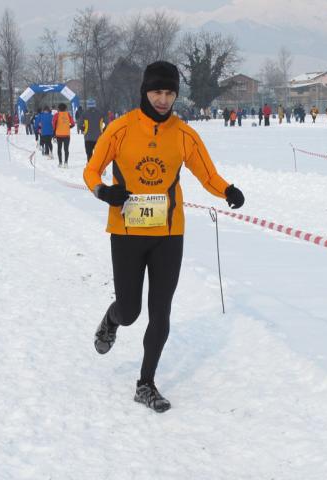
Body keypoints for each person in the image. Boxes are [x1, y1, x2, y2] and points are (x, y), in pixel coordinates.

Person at [83, 61, 245, 413]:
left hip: (169, 233)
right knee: (130, 310)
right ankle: (111, 321)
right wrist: (102, 191)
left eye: (170, 93)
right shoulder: (121, 129)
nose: (163, 99)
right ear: (145, 91)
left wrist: (227, 190)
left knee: (161, 311)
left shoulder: (184, 134)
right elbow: (91, 169)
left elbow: (207, 174)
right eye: (157, 91)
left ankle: (146, 383)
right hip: (126, 231)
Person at [52, 103, 75, 167]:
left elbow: (53, 124)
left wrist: (54, 132)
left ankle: (60, 163)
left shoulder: (56, 115)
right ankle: (66, 163)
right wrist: (68, 127)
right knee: (66, 149)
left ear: (58, 108)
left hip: (59, 134)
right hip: (66, 134)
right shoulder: (68, 115)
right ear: (65, 108)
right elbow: (73, 124)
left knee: (59, 148)